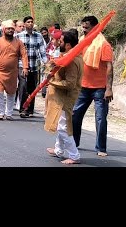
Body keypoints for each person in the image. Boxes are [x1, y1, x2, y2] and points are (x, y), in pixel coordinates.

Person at [72, 15, 114, 157]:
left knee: (101, 118)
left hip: (100, 88)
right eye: (83, 27)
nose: (84, 30)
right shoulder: (82, 41)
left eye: (87, 28)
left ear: (95, 28)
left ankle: (101, 148)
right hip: (83, 86)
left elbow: (109, 67)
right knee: (75, 115)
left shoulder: (103, 44)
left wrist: (109, 88)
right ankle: (73, 143)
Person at [44, 30, 84, 165]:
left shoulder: (72, 60)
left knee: (62, 126)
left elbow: (70, 84)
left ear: (67, 45)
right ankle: (59, 150)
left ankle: (74, 155)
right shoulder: (69, 56)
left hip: (66, 98)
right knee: (60, 123)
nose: (58, 43)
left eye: (60, 42)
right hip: (61, 96)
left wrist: (51, 81)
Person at [0, 20, 28, 121]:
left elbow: (24, 55)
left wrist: (25, 67)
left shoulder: (18, 43)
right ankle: (1, 112)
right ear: (4, 30)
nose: (10, 30)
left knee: (11, 93)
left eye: (12, 29)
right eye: (8, 29)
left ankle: (9, 113)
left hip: (12, 72)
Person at [15, 16, 47, 118]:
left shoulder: (38, 36)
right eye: (28, 22)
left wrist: (47, 64)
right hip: (21, 65)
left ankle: (30, 109)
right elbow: (15, 51)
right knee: (23, 86)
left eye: (32, 22)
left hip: (34, 66)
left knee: (32, 88)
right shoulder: (18, 36)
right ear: (24, 25)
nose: (30, 23)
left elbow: (43, 52)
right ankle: (23, 109)